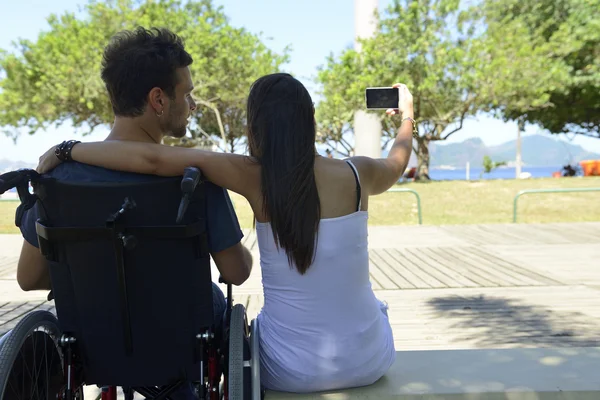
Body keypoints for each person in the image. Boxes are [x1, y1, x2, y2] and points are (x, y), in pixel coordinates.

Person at [37, 73, 415, 393]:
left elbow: (152, 160)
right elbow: (397, 160)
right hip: (369, 361)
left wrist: (70, 150)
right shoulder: (356, 173)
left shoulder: (252, 175)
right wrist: (407, 116)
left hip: (288, 370)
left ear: (254, 128)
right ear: (310, 122)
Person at [19, 27, 252, 398]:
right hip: (178, 343)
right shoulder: (194, 177)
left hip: (95, 336)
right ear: (158, 99)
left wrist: (96, 276)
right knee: (214, 299)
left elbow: (29, 278)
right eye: (187, 93)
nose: (192, 105)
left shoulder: (56, 178)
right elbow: (236, 272)